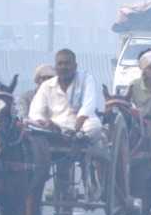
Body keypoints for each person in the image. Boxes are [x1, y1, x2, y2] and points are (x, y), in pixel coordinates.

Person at [28, 49, 107, 196]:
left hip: (82, 126)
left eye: (67, 64)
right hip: (55, 128)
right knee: (30, 127)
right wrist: (43, 123)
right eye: (60, 64)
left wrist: (77, 129)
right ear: (56, 67)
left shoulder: (86, 79)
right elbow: (36, 110)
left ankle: (81, 144)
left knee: (95, 126)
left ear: (75, 66)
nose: (64, 67)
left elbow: (88, 105)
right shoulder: (47, 86)